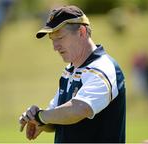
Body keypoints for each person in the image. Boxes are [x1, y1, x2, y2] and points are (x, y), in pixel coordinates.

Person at [19, 5, 126, 143]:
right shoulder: (69, 71)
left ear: (81, 32)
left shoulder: (103, 67)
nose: (55, 47)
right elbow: (56, 119)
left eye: (60, 38)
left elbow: (79, 109)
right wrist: (38, 119)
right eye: (52, 39)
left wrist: (41, 116)